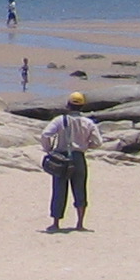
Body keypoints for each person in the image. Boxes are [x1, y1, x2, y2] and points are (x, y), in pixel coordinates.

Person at [40, 92, 100, 232]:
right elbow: (98, 142)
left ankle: (56, 223)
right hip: (79, 157)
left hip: (61, 157)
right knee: (80, 189)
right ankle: (79, 223)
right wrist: (85, 146)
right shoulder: (88, 122)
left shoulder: (60, 120)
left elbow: (45, 134)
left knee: (59, 190)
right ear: (82, 106)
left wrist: (48, 149)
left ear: (68, 105)